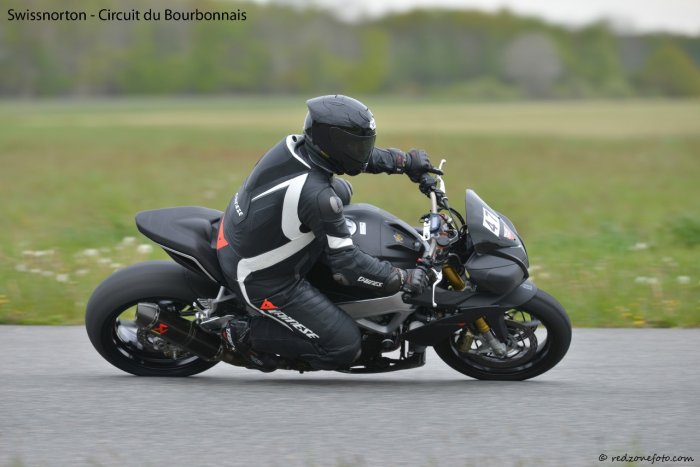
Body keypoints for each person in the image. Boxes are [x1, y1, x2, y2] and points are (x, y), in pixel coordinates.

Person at [216, 95, 441, 372]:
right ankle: (240, 333)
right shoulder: (317, 196)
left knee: (341, 191)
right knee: (344, 346)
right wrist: (401, 278)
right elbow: (348, 265)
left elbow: (355, 160)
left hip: (250, 234)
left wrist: (403, 161)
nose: (362, 151)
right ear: (332, 143)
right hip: (262, 276)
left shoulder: (296, 146)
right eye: (355, 145)